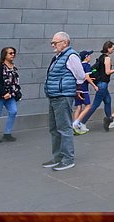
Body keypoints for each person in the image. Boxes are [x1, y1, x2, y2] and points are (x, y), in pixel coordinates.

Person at [43, 32, 89, 171]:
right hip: (54, 96)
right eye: (52, 42)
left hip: (62, 96)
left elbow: (81, 75)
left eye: (55, 42)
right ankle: (58, 157)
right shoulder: (58, 57)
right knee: (54, 128)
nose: (53, 45)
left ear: (65, 42)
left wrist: (74, 88)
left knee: (64, 128)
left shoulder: (71, 56)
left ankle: (68, 159)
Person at [74, 41, 114, 134]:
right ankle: (82, 123)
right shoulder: (107, 58)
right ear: (108, 48)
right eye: (112, 48)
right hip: (103, 84)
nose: (113, 50)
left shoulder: (101, 57)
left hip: (101, 84)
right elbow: (107, 72)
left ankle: (110, 121)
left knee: (108, 101)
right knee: (95, 105)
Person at [0, 46, 22, 143]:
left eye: (14, 53)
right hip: (0, 95)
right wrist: (4, 93)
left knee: (13, 111)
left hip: (11, 95)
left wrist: (17, 92)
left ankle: (7, 133)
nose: (13, 55)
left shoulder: (13, 67)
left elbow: (16, 81)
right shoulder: (0, 66)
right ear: (5, 55)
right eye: (10, 53)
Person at [73, 50, 96, 125]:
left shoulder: (79, 65)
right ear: (86, 57)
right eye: (89, 55)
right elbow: (87, 77)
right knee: (88, 106)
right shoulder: (87, 65)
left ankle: (74, 125)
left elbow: (81, 76)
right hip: (84, 89)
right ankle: (77, 123)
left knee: (79, 107)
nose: (90, 56)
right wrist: (94, 86)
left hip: (77, 88)